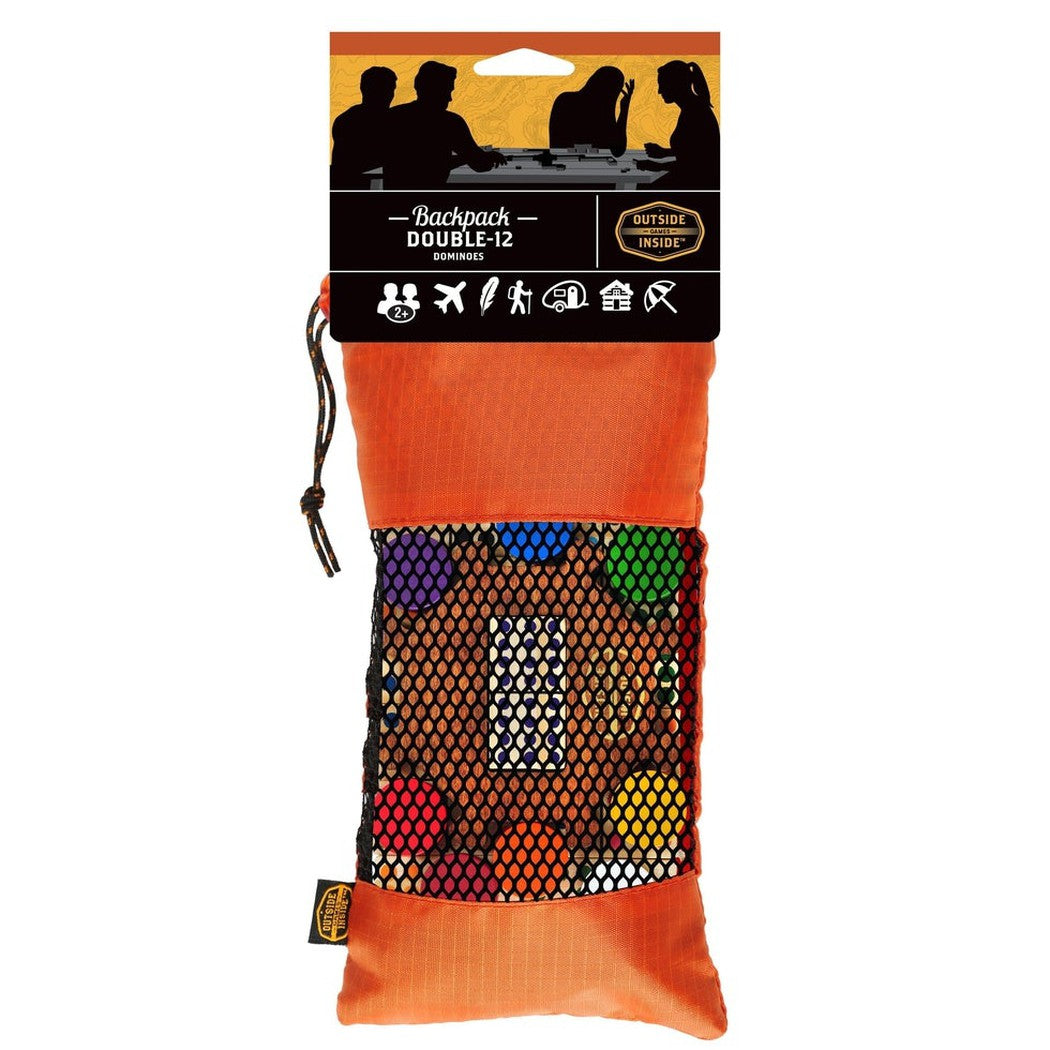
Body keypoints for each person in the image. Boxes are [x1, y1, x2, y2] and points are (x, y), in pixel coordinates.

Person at [381, 62, 507, 189]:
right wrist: (487, 157)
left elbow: (420, 163)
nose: (450, 98)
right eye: (447, 91)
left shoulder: (393, 116)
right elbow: (480, 165)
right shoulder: (451, 122)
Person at [635, 61, 719, 189]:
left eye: (662, 85)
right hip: (695, 179)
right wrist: (665, 152)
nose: (659, 91)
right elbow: (694, 151)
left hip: (698, 184)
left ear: (676, 84)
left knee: (642, 188)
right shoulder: (694, 108)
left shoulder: (695, 112)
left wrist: (658, 166)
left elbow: (695, 164)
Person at [330, 66, 397, 189]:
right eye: (382, 89)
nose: (389, 95)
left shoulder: (345, 119)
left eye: (390, 89)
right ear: (365, 89)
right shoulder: (350, 121)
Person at [549, 66, 634, 156]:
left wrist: (624, 109)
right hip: (570, 161)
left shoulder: (603, 114)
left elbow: (617, 150)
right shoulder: (566, 101)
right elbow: (559, 146)